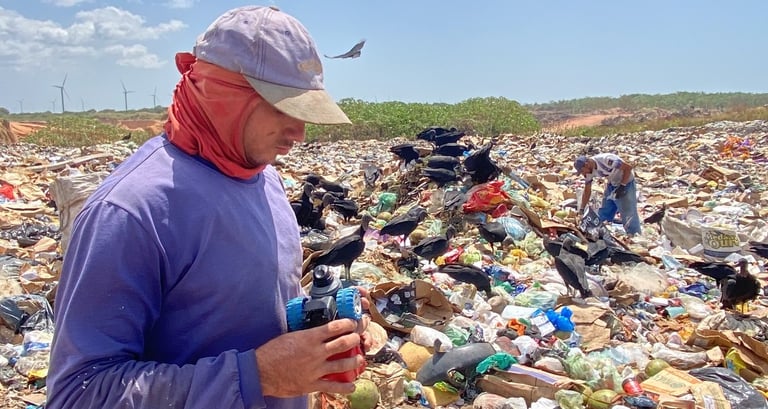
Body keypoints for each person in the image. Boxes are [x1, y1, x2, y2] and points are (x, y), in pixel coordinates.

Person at [47, 6, 370, 409]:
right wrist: (258, 376)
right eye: (284, 108)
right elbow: (79, 394)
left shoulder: (263, 177)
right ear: (223, 96)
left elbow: (248, 315)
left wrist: (325, 325)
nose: (299, 133)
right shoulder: (132, 212)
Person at [574, 153, 641, 235]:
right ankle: (601, 233)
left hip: (626, 182)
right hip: (612, 183)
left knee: (628, 212)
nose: (583, 174)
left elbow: (628, 168)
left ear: (586, 164)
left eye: (582, 171)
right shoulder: (589, 172)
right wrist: (581, 209)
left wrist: (622, 186)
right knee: (605, 210)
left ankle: (634, 236)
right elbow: (587, 190)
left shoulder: (606, 160)